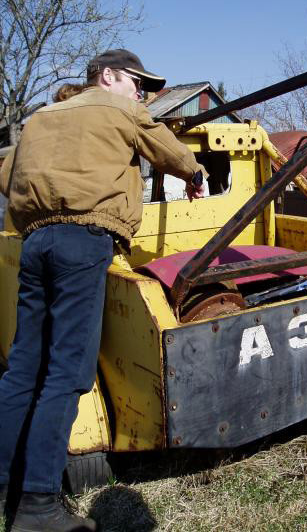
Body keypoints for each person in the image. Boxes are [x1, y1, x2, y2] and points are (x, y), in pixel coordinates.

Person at [0, 49, 207, 532]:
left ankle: (4, 481)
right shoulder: (121, 109)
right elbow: (171, 152)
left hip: (36, 244)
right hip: (82, 243)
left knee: (22, 368)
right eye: (138, 82)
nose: (144, 93)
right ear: (107, 75)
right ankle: (38, 509)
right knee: (67, 374)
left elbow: (6, 176)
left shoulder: (39, 117)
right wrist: (195, 173)